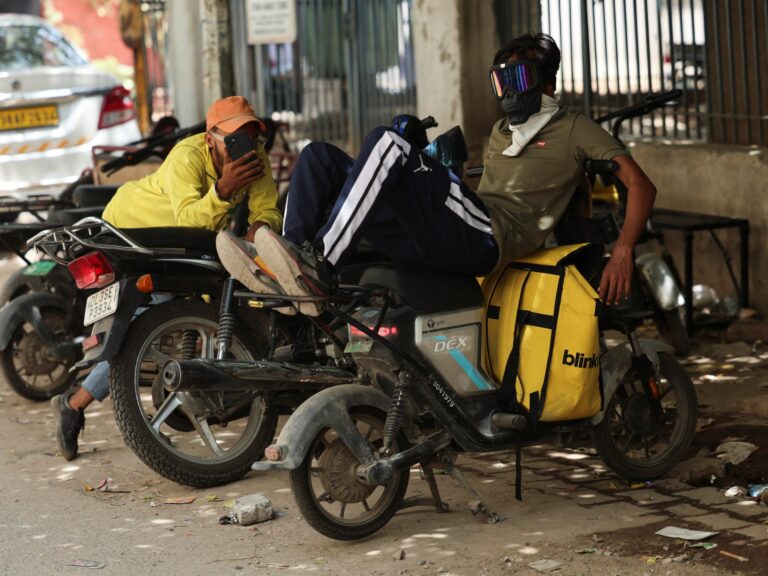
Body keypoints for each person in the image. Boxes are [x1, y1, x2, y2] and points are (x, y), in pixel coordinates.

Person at [216, 33, 656, 318]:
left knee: (387, 143)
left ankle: (320, 265)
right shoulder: (503, 130)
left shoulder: (573, 127)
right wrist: (426, 165)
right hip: (455, 226)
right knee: (317, 156)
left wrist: (622, 251)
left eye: (520, 77)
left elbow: (641, 185)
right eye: (500, 82)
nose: (508, 91)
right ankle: (292, 268)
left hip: (487, 236)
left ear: (547, 84)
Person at [51, 96, 281, 461]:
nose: (246, 145)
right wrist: (223, 189)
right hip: (131, 227)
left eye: (252, 137)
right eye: (235, 137)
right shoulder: (187, 156)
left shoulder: (256, 157)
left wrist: (261, 225)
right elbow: (188, 219)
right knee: (145, 325)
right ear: (210, 139)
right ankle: (75, 403)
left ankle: (77, 402)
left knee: (173, 315)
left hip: (182, 242)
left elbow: (266, 206)